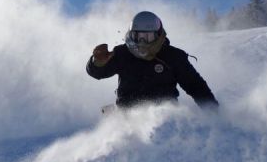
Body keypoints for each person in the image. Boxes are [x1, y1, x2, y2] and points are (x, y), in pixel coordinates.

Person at [86, 11, 219, 110]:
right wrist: (97, 62)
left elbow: (195, 85)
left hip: (166, 118)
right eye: (139, 36)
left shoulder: (173, 56)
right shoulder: (122, 53)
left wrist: (212, 112)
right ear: (132, 35)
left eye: (148, 37)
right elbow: (98, 73)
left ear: (158, 36)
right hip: (126, 116)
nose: (143, 41)